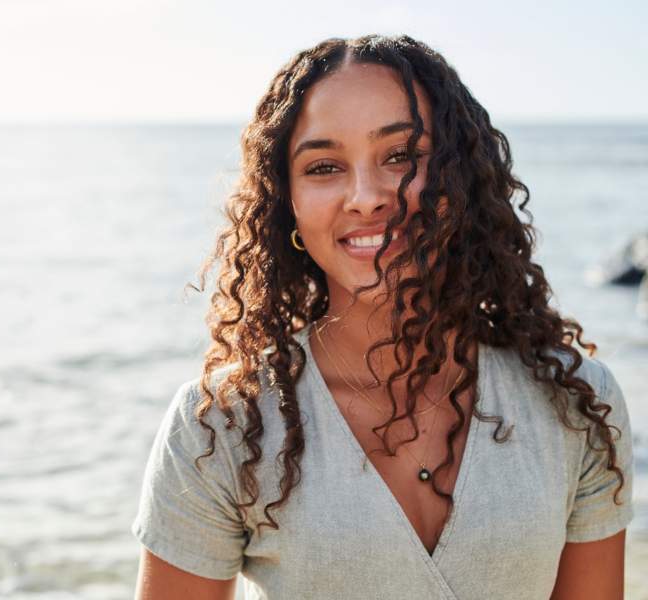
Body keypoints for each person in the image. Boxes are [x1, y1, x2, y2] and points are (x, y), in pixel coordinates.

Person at [131, 34, 635, 600]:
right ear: (286, 202)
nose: (365, 196)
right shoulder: (223, 427)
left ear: (458, 179)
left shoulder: (575, 403)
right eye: (324, 167)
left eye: (400, 157)